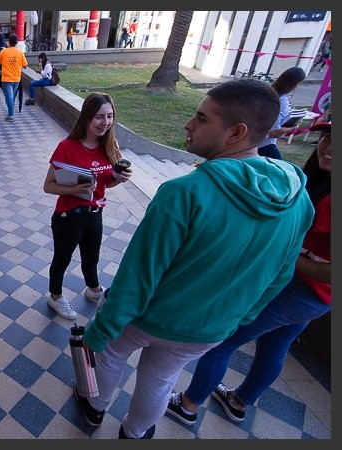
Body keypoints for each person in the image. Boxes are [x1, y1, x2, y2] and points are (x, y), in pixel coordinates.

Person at [77, 79, 314, 439]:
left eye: (202, 119)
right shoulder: (299, 200)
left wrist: (100, 333)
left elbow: (138, 278)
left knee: (110, 355)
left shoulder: (183, 193)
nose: (189, 124)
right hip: (209, 329)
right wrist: (242, 316)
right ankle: (136, 432)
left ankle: (94, 408)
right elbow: (280, 275)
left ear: (236, 132)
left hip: (149, 317)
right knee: (161, 380)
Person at [166, 121, 331, 427]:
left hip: (299, 291)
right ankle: (238, 401)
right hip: (314, 299)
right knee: (275, 346)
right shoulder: (319, 182)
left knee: (223, 340)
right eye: (327, 137)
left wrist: (287, 252)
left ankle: (187, 406)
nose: (329, 147)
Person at [42, 93, 132, 321]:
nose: (105, 122)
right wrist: (77, 189)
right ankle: (55, 296)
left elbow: (106, 183)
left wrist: (117, 178)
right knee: (62, 259)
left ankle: (93, 290)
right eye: (99, 117)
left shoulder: (110, 146)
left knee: (91, 258)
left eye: (110, 116)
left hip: (95, 214)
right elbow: (48, 186)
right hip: (68, 216)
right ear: (86, 118)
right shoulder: (67, 147)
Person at [258, 66, 307, 159]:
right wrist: (291, 128)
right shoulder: (282, 101)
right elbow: (272, 131)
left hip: (251, 143)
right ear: (295, 84)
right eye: (298, 83)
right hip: (264, 145)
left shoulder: (265, 92)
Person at [0, 33, 28, 123]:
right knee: (12, 96)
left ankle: (11, 115)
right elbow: (25, 66)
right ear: (16, 43)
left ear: (8, 42)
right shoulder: (20, 53)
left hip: (6, 78)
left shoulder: (4, 52)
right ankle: (11, 111)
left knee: (9, 96)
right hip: (17, 78)